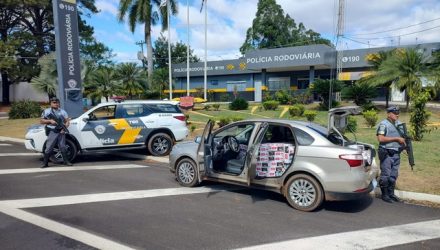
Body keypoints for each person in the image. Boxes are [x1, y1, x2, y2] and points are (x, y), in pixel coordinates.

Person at [376, 106, 406, 203]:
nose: (397, 114)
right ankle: (385, 195)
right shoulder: (384, 125)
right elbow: (380, 139)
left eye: (398, 112)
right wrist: (396, 139)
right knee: (386, 175)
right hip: (387, 154)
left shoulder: (399, 124)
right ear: (389, 114)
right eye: (394, 112)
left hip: (396, 153)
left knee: (393, 175)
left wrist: (404, 147)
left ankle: (391, 194)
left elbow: (403, 138)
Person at [40, 97, 72, 168]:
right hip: (52, 131)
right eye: (54, 103)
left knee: (63, 146)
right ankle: (45, 163)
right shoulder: (47, 111)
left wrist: (64, 128)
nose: (56, 104)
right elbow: (41, 121)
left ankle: (66, 161)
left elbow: (67, 121)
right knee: (49, 147)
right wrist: (50, 121)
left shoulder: (63, 111)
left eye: (57, 102)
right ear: (50, 103)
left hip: (61, 131)